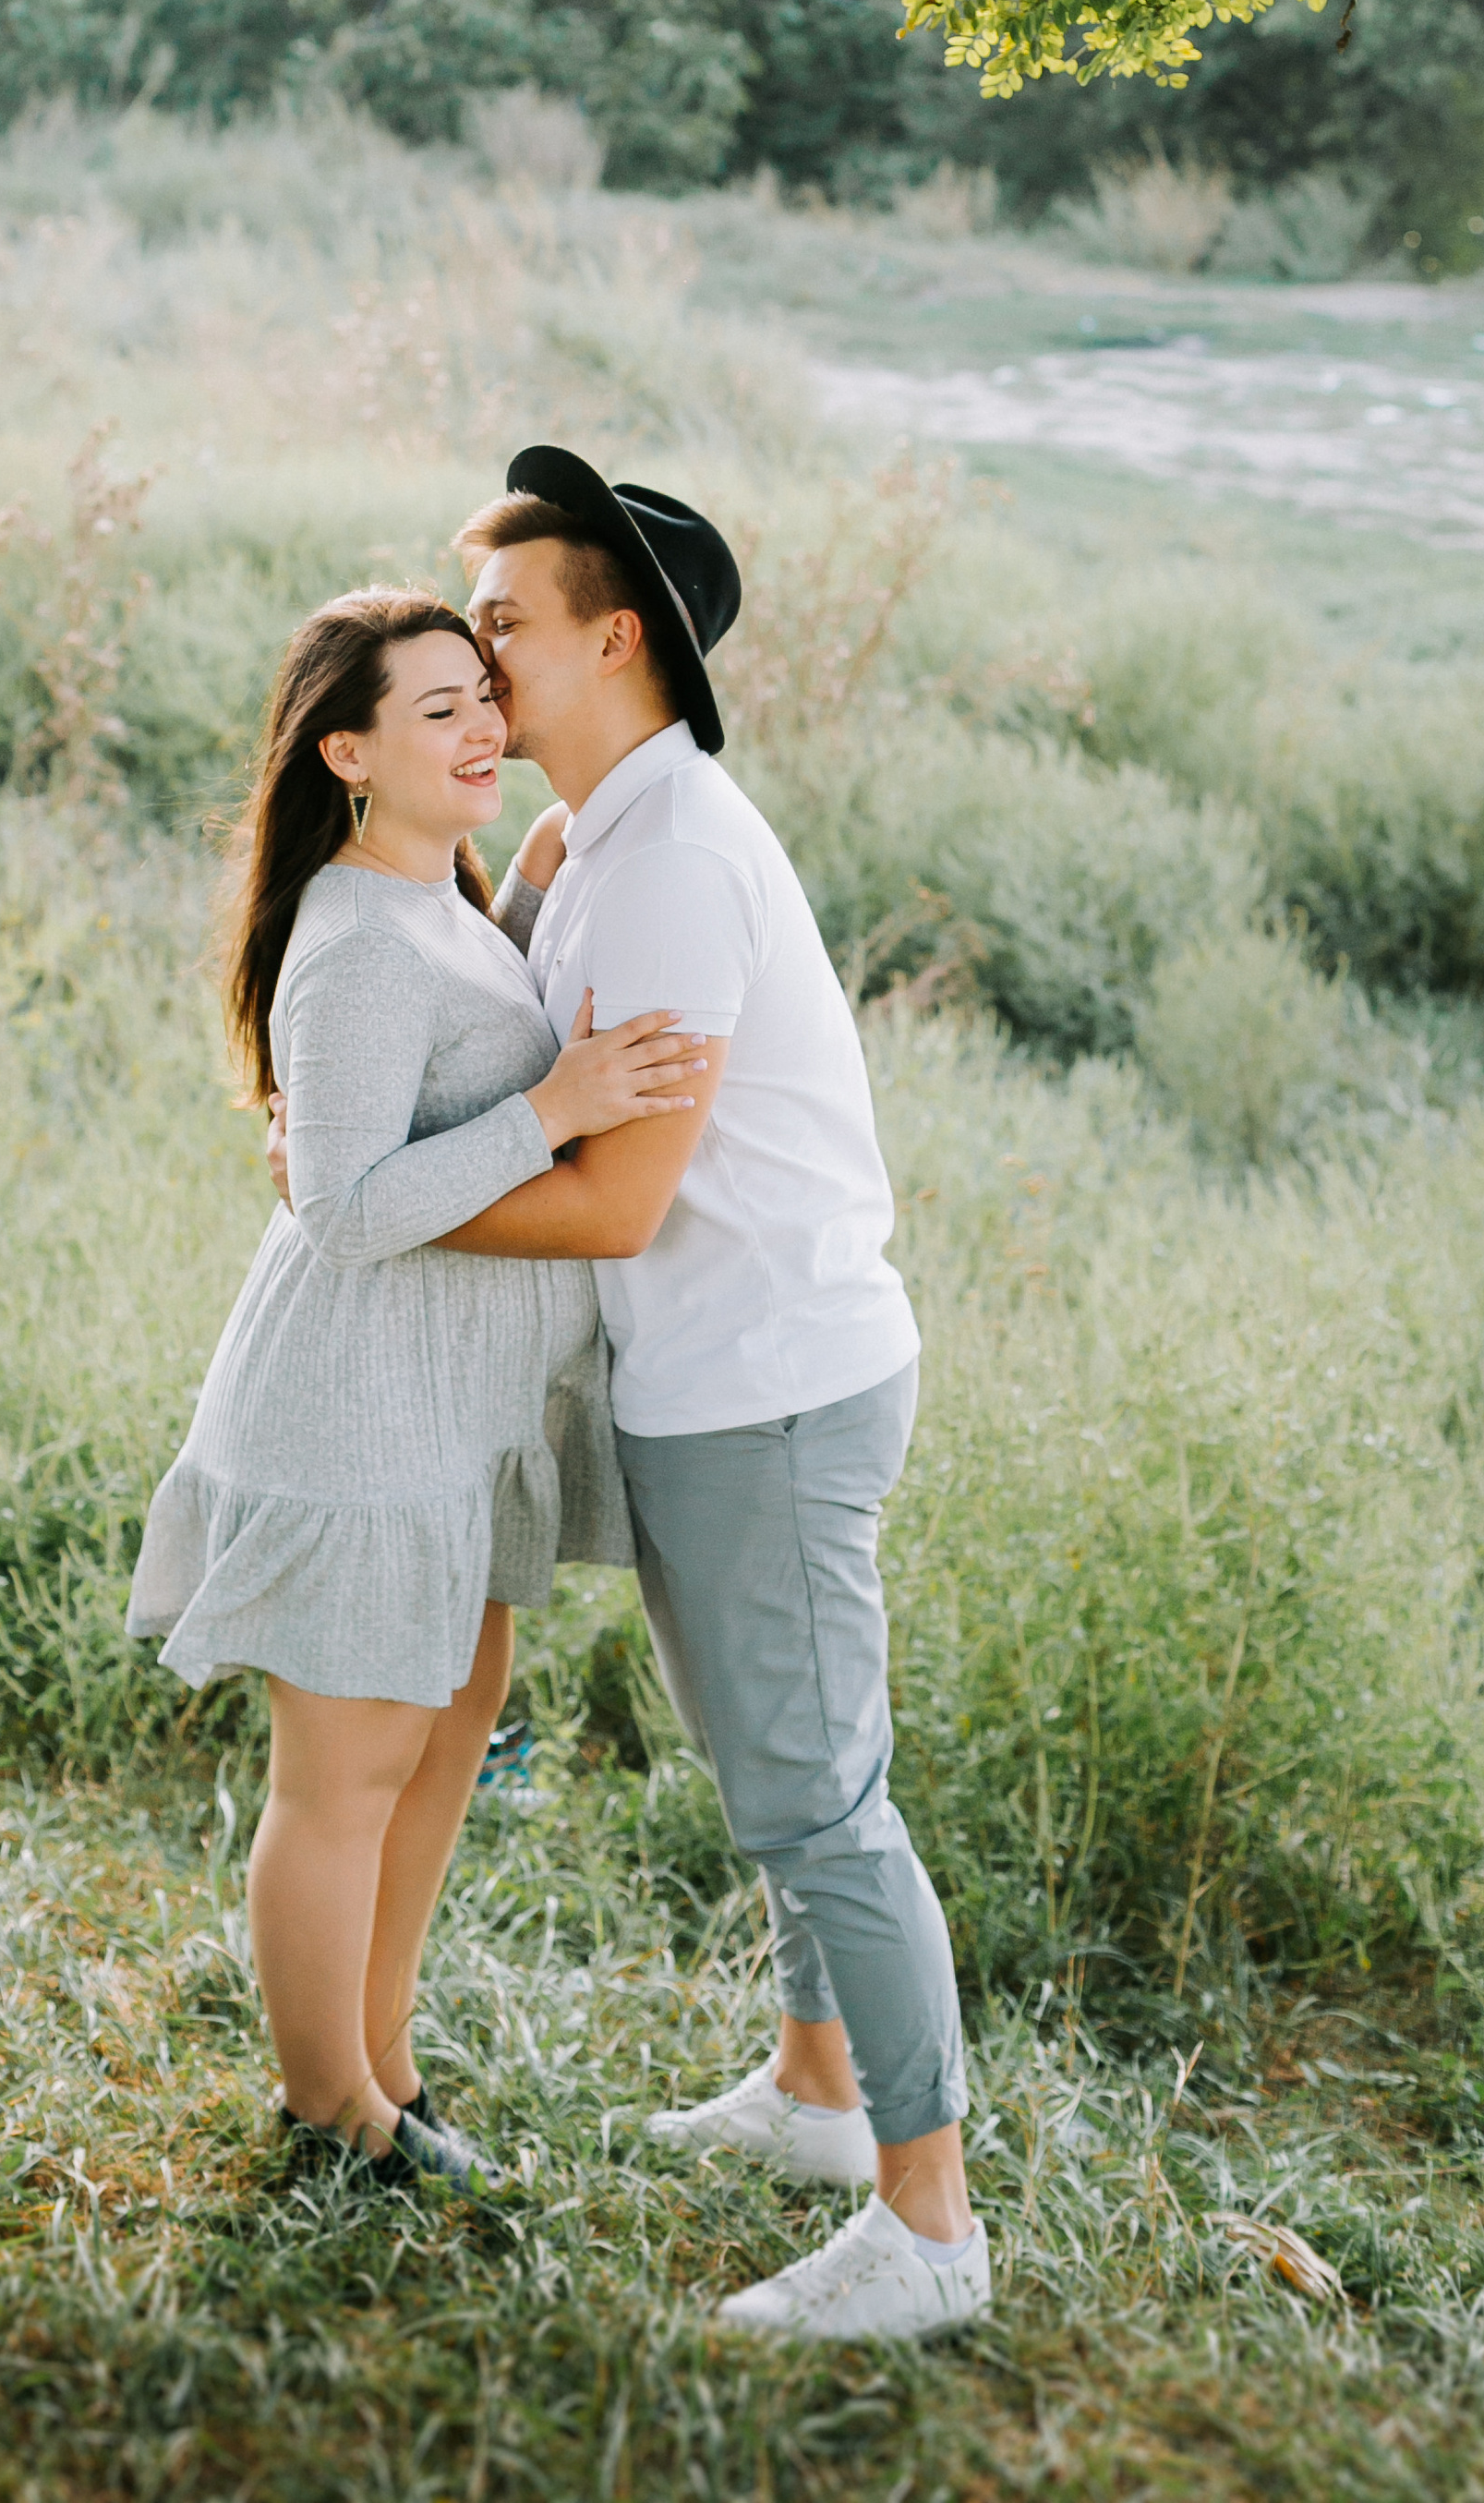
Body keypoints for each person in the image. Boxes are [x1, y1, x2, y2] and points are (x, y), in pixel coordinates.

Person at [441, 443, 989, 2345]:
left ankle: (926, 2231)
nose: (468, 658)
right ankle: (818, 2098)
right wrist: (514, 877)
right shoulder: (609, 839)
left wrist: (376, 1215)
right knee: (780, 1771)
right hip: (723, 1374)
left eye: (499, 628)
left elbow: (616, 1196)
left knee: (821, 1802)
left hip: (764, 1384)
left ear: (613, 642)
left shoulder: (668, 865)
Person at [126, 586, 703, 2192]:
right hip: (360, 1417)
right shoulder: (354, 936)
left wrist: (518, 894)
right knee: (346, 1778)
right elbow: (348, 1202)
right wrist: (562, 1107)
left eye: (482, 697)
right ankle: (329, 2123)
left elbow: (455, 1036)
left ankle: (381, 2063)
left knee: (445, 1742)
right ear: (348, 752)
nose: (482, 729)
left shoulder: (434, 896)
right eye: (436, 708)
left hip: (451, 1419)